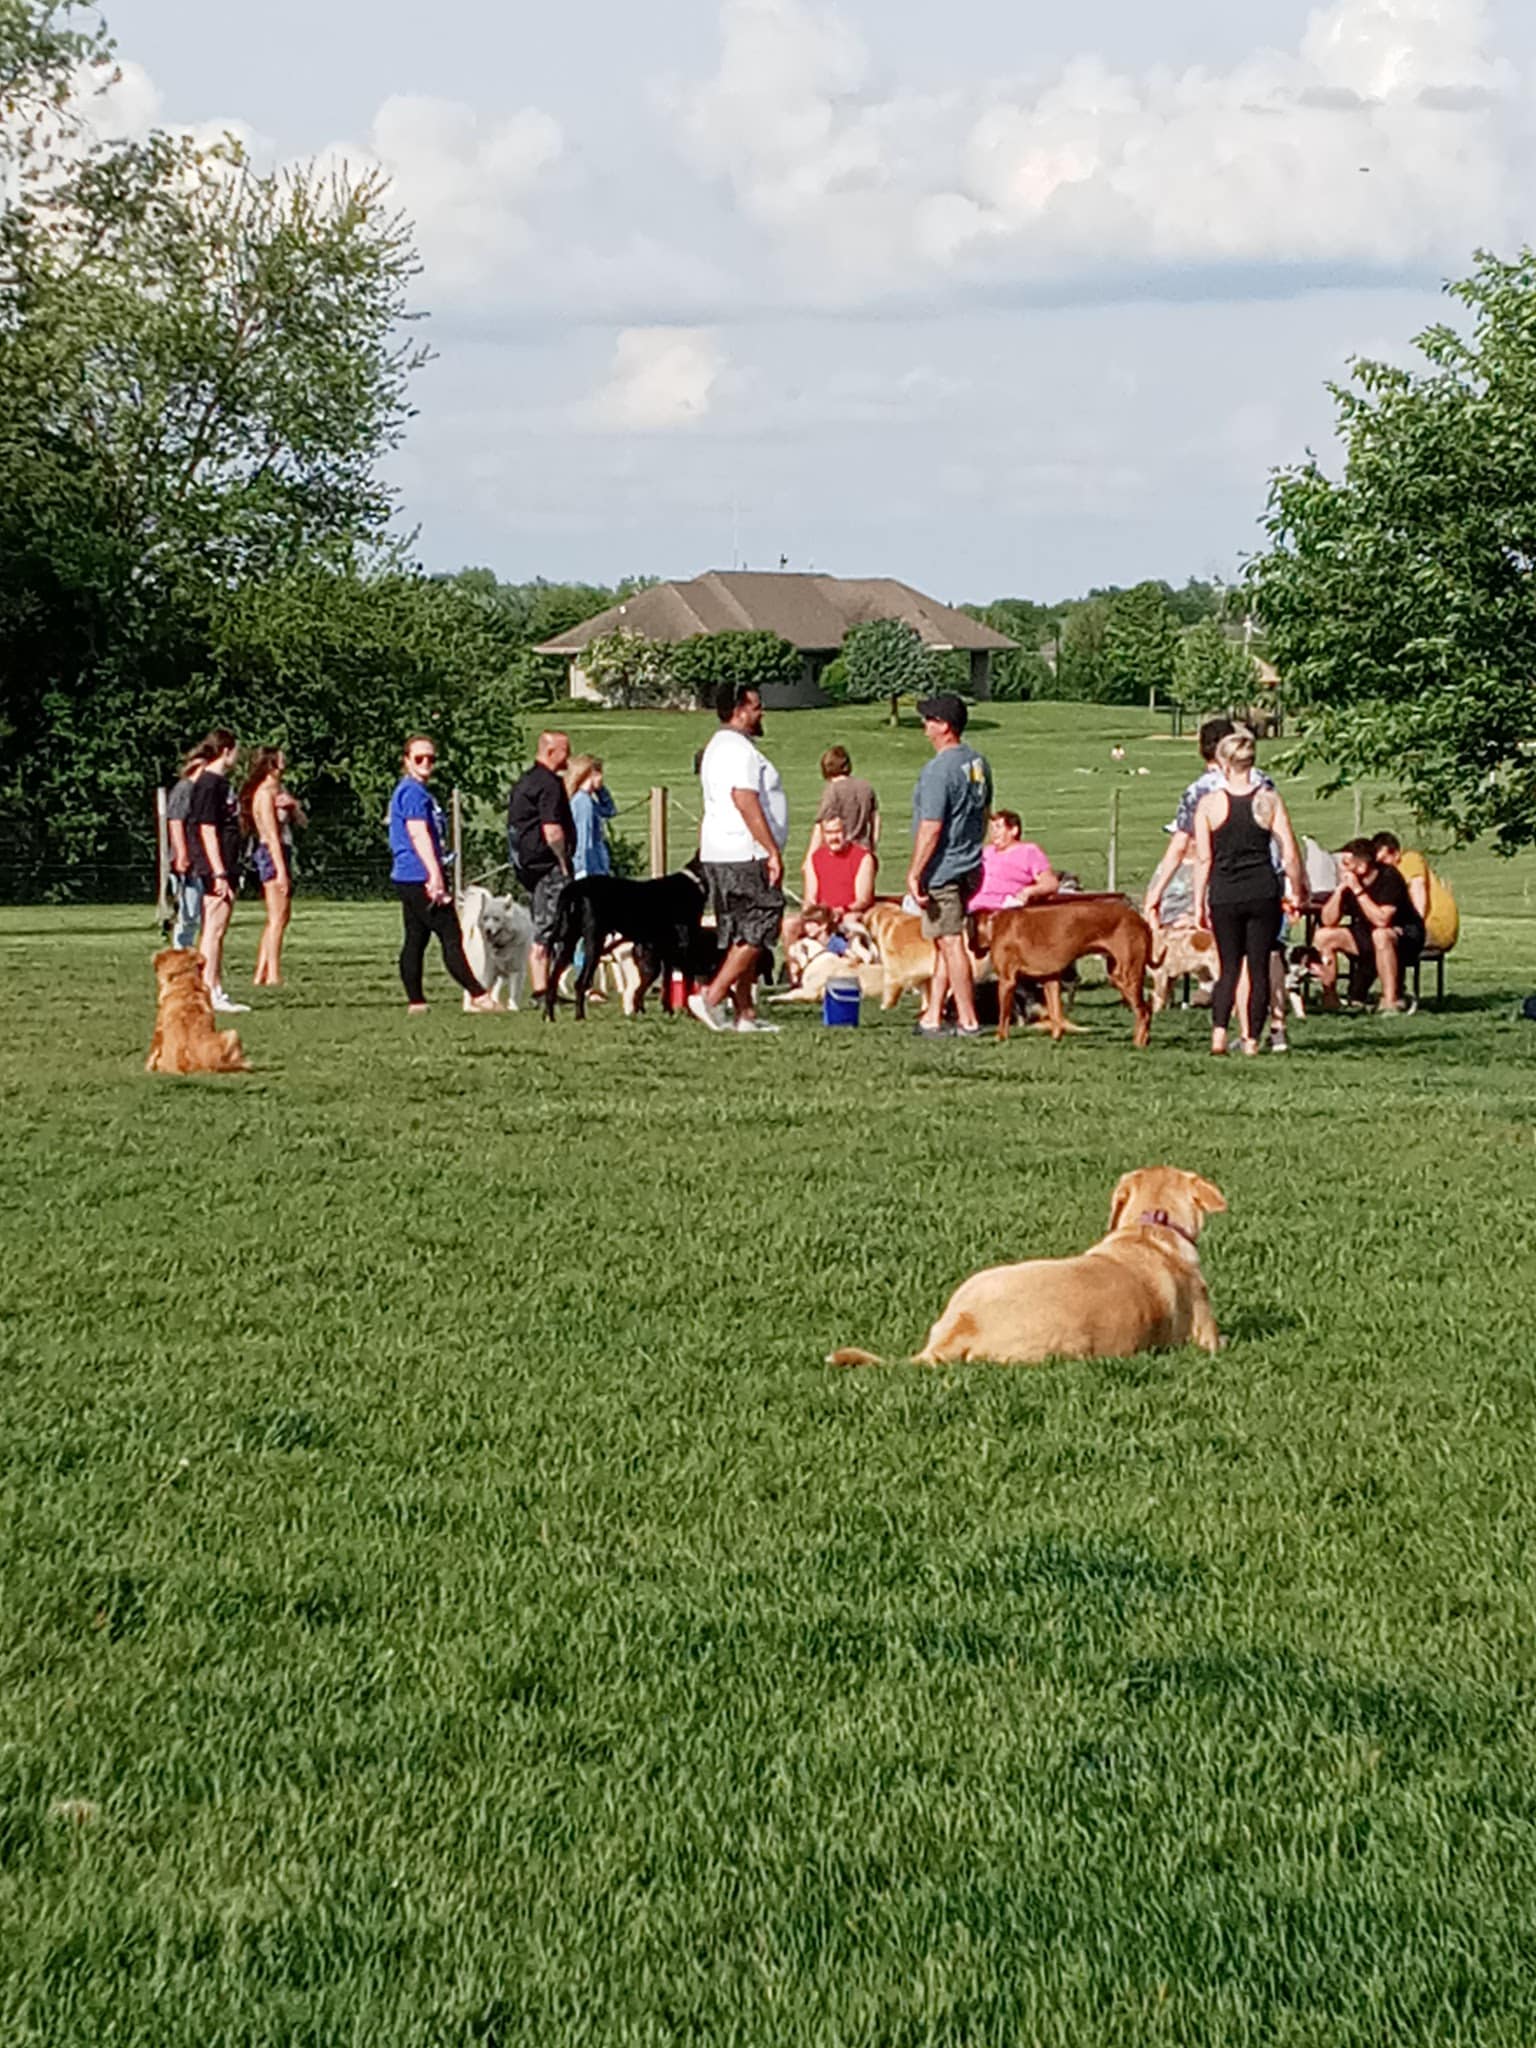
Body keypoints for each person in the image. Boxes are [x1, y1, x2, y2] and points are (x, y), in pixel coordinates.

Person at [1145, 714, 1285, 1038]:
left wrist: (1156, 892)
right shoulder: (1263, 782)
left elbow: (1181, 846)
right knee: (1267, 956)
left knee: (1233, 961)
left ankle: (1239, 1030)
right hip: (1268, 877)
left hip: (1228, 880)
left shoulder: (1200, 792)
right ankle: (1276, 1027)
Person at [1193, 730, 1305, 1056]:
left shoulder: (1209, 805)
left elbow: (1203, 858)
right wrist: (1296, 889)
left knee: (1228, 967)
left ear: (1224, 763)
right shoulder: (1268, 801)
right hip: (1262, 891)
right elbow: (1290, 851)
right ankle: (1252, 1040)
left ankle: (1217, 1036)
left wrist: (1198, 899)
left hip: (1225, 892)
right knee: (1257, 968)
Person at [689, 683, 788, 1034]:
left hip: (719, 850)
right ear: (739, 710)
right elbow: (744, 799)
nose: (761, 713)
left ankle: (745, 1011)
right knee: (763, 920)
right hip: (744, 851)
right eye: (756, 707)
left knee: (739, 931)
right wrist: (771, 849)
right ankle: (711, 997)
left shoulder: (717, 746)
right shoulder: (739, 750)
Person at [389, 736, 497, 1014]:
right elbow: (418, 834)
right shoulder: (412, 792)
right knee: (450, 933)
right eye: (419, 758)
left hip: (410, 875)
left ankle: (416, 1001)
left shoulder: (417, 792)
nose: (426, 763)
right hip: (418, 874)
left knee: (416, 937)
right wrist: (435, 876)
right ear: (406, 760)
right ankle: (479, 995)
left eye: (431, 758)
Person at [906, 693, 993, 1039]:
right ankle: (932, 1015)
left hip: (943, 868)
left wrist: (915, 872)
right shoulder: (977, 763)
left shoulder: (938, 770)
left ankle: (968, 1020)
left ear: (944, 726)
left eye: (929, 719)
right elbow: (985, 812)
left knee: (951, 940)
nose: (924, 726)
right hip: (970, 863)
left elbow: (931, 826)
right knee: (943, 939)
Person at [1312, 837, 1426, 1013]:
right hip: (1367, 933)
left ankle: (1390, 1000)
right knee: (1324, 936)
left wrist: (1358, 891)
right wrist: (1340, 891)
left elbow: (1382, 920)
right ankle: (1330, 999)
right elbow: (1328, 920)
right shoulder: (1349, 882)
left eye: (1346, 862)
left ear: (1362, 865)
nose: (1342, 867)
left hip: (1404, 935)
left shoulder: (1389, 877)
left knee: (1381, 935)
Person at [184, 729, 249, 1015]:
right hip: (216, 865)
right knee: (214, 929)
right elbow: (206, 829)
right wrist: (219, 871)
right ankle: (210, 991)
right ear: (226, 751)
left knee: (217, 929)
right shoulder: (209, 784)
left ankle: (212, 987)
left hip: (225, 863)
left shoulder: (220, 783)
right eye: (236, 750)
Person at [507, 732, 576, 1002]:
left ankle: (543, 988)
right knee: (552, 926)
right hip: (548, 864)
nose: (568, 758)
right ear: (550, 752)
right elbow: (552, 829)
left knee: (543, 923)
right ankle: (542, 990)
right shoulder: (549, 784)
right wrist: (563, 861)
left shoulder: (526, 781)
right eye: (564, 752)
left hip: (528, 865)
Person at [239, 747, 295, 987]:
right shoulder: (263, 793)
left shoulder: (280, 789)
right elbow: (271, 835)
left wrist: (294, 805)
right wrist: (281, 871)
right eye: (280, 757)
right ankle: (272, 973)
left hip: (284, 849)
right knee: (277, 916)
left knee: (282, 916)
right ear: (271, 763)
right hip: (272, 853)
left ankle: (261, 972)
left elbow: (301, 821)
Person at [164, 737, 215, 950]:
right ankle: (180, 950)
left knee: (198, 912)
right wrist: (182, 854)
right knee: (188, 913)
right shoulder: (184, 788)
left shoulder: (201, 792)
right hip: (187, 861)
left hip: (200, 859)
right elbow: (175, 821)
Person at [1372, 832, 1459, 953]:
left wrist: (1415, 928)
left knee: (1379, 940)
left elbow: (1418, 889)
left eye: (1383, 860)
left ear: (1395, 853)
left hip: (1434, 928)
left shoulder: (1409, 860)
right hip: (1426, 927)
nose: (1381, 866)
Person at [968, 811, 1059, 914]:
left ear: (1014, 830)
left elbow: (1050, 883)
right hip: (976, 908)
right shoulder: (986, 852)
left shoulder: (1029, 851)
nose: (993, 832)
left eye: (998, 827)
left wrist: (1028, 891)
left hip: (1008, 909)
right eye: (991, 828)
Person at [808, 745, 879, 860]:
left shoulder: (832, 790)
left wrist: (810, 857)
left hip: (840, 852)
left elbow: (822, 824)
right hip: (863, 850)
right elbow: (875, 820)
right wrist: (872, 847)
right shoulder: (866, 787)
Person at [802, 813, 875, 918]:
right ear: (823, 835)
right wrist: (814, 911)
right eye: (829, 833)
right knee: (790, 924)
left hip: (850, 913)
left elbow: (863, 900)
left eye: (837, 832)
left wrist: (840, 911)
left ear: (846, 832)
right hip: (822, 915)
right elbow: (810, 898)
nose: (833, 837)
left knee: (850, 922)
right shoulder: (815, 858)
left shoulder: (863, 858)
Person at [566, 754, 618, 880]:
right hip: (591, 867)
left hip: (596, 865)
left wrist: (600, 790)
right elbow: (583, 838)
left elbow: (610, 811)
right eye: (599, 773)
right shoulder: (583, 802)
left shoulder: (588, 800)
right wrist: (582, 869)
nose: (602, 778)